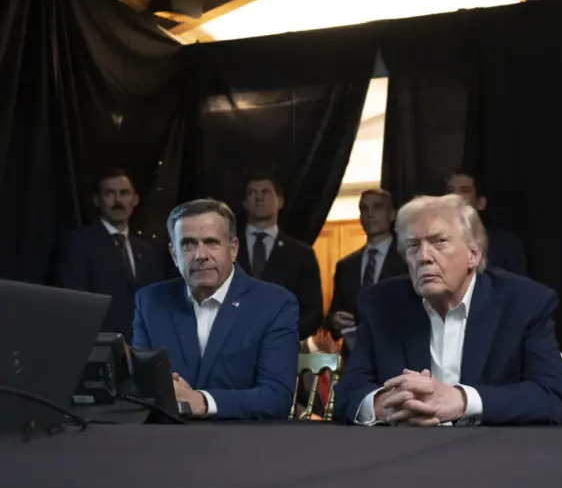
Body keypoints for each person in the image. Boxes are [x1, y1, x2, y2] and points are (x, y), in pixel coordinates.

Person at [332, 194, 562, 426]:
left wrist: (463, 401)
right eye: (413, 246)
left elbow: (551, 395)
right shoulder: (380, 305)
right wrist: (384, 405)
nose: (424, 257)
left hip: (492, 449)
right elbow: (347, 395)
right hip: (404, 446)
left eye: (439, 242)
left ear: (473, 254)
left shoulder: (525, 303)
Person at [132, 199, 299, 420]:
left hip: (242, 438)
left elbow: (276, 398)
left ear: (233, 249)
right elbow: (138, 389)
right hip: (166, 436)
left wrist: (203, 401)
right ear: (173, 254)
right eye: (188, 244)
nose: (201, 255)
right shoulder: (150, 301)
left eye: (212, 243)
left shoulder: (275, 304)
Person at [57, 170, 164, 341]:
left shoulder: (147, 251)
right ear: (97, 200)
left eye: (124, 193)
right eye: (110, 194)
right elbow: (75, 303)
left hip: (144, 348)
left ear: (135, 199)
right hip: (99, 347)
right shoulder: (78, 243)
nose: (118, 201)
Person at [237, 177, 323, 340]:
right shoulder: (225, 249)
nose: (259, 197)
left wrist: (282, 335)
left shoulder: (301, 254)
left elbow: (313, 312)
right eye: (252, 193)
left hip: (281, 348)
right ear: (245, 203)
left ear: (280, 201)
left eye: (265, 192)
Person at [324, 189, 407, 355]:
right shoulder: (346, 266)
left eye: (377, 207)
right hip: (355, 356)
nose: (370, 214)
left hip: (397, 353)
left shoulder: (407, 260)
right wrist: (335, 321)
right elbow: (333, 314)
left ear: (392, 214)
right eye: (364, 209)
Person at [446, 170, 528, 276]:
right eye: (450, 190)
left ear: (481, 203)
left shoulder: (506, 245)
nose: (454, 196)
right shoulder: (432, 241)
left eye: (465, 190)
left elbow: (517, 285)